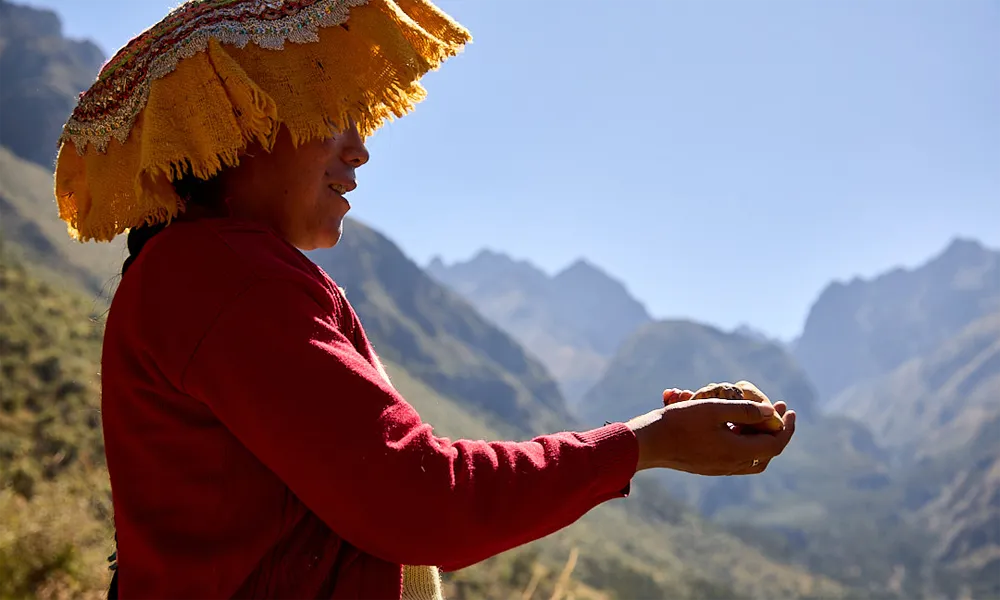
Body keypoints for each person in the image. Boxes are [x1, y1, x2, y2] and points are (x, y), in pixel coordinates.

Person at [53, 1, 796, 599]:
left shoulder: (193, 272)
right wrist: (649, 441)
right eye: (328, 110)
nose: (360, 146)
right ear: (243, 123)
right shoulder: (227, 275)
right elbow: (424, 503)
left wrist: (654, 437)